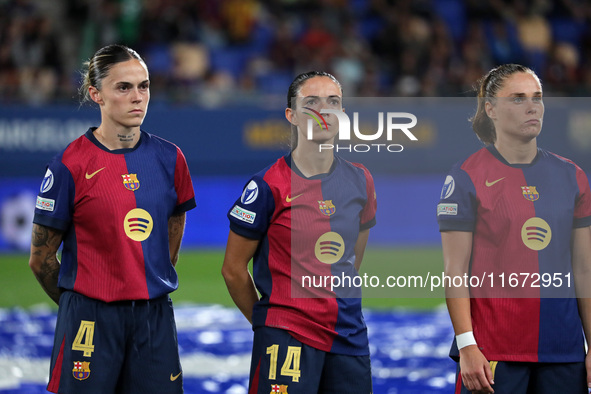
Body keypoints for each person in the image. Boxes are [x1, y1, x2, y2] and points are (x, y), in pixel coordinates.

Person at [29, 44, 195, 394]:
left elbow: (173, 229)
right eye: (124, 87)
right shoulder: (69, 165)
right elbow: (41, 257)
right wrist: (81, 304)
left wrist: (147, 280)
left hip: (154, 319)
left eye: (144, 86)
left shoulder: (171, 159)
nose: (138, 97)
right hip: (89, 318)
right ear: (96, 94)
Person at [437, 63, 591, 393]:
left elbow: (584, 268)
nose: (533, 106)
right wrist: (467, 346)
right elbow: (455, 271)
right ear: (490, 109)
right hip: (493, 354)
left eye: (537, 97)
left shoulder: (572, 176)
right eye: (518, 98)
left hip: (563, 352)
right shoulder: (466, 176)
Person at [221, 71, 377, 393]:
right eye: (312, 103)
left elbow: (351, 260)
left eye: (333, 102)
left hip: (348, 334)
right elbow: (233, 270)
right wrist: (268, 326)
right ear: (291, 115)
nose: (324, 111)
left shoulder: (361, 180)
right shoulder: (267, 185)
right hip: (286, 336)